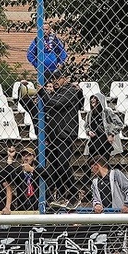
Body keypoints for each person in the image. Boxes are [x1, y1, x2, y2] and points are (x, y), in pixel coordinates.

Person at [22, 72, 83, 207]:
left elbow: (56, 104)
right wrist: (24, 90)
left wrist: (42, 92)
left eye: (57, 78)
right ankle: (60, 196)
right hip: (52, 137)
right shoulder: (53, 96)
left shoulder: (69, 91)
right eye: (52, 79)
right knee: (56, 167)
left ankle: (73, 194)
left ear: (65, 78)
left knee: (62, 164)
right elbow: (29, 105)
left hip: (64, 134)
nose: (54, 81)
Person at [83, 92, 123, 161]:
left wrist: (112, 134)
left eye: (95, 98)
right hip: (94, 142)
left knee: (103, 165)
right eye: (92, 98)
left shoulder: (107, 112)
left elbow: (120, 124)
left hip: (105, 142)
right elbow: (86, 125)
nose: (92, 100)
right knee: (91, 165)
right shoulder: (90, 114)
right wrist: (89, 131)